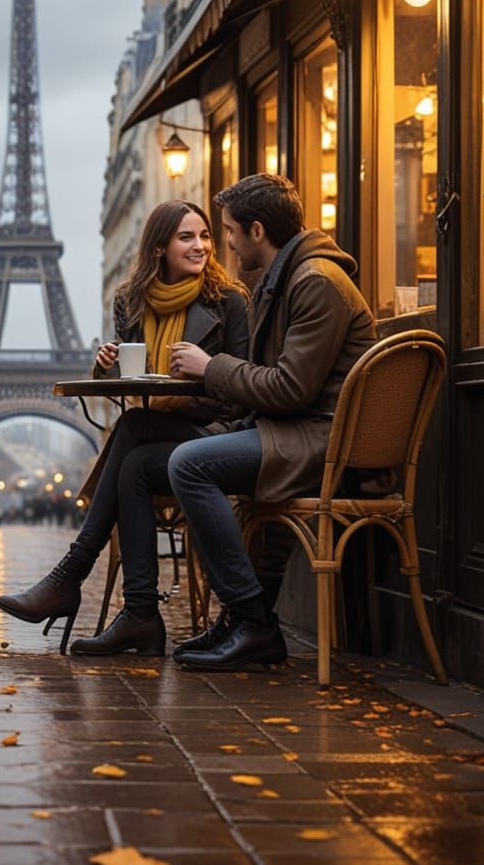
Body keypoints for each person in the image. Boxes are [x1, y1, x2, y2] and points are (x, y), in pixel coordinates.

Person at [0, 200, 250, 653]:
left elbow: (242, 388)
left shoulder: (229, 301)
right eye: (186, 237)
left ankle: (78, 579)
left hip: (217, 431)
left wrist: (203, 372)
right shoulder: (130, 300)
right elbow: (133, 382)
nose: (201, 246)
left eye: (206, 236)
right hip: (157, 429)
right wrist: (106, 368)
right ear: (158, 248)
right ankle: (139, 614)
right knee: (133, 456)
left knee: (132, 429)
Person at [161, 172, 377, 670]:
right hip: (296, 431)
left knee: (189, 465)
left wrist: (210, 367)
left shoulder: (316, 282)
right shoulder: (287, 278)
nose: (228, 244)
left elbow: (289, 388)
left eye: (231, 231)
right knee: (160, 455)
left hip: (320, 440)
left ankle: (253, 619)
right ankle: (242, 620)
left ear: (257, 231)